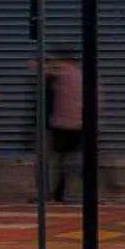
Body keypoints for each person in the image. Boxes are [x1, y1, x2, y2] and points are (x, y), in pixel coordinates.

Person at [45, 56, 85, 203]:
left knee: (62, 160)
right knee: (68, 159)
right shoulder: (79, 74)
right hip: (76, 123)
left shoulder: (63, 74)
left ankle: (60, 191)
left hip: (63, 124)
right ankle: (62, 191)